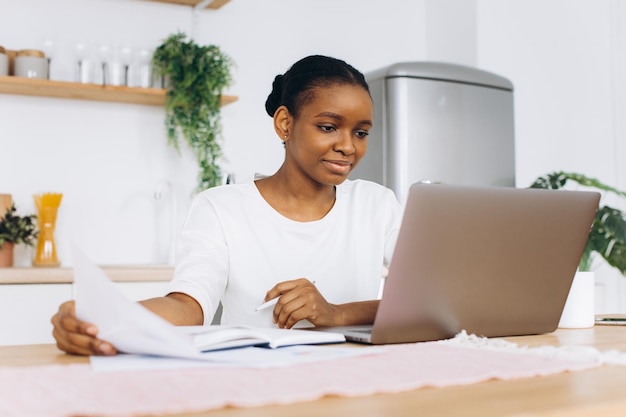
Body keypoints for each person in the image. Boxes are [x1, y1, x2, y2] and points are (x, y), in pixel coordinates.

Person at [51, 55, 403, 356]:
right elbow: (188, 305)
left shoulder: (377, 204)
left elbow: (427, 306)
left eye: (361, 132)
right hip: (257, 382)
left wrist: (336, 313)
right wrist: (105, 316)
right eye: (328, 127)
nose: (348, 146)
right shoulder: (220, 208)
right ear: (285, 123)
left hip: (357, 376)